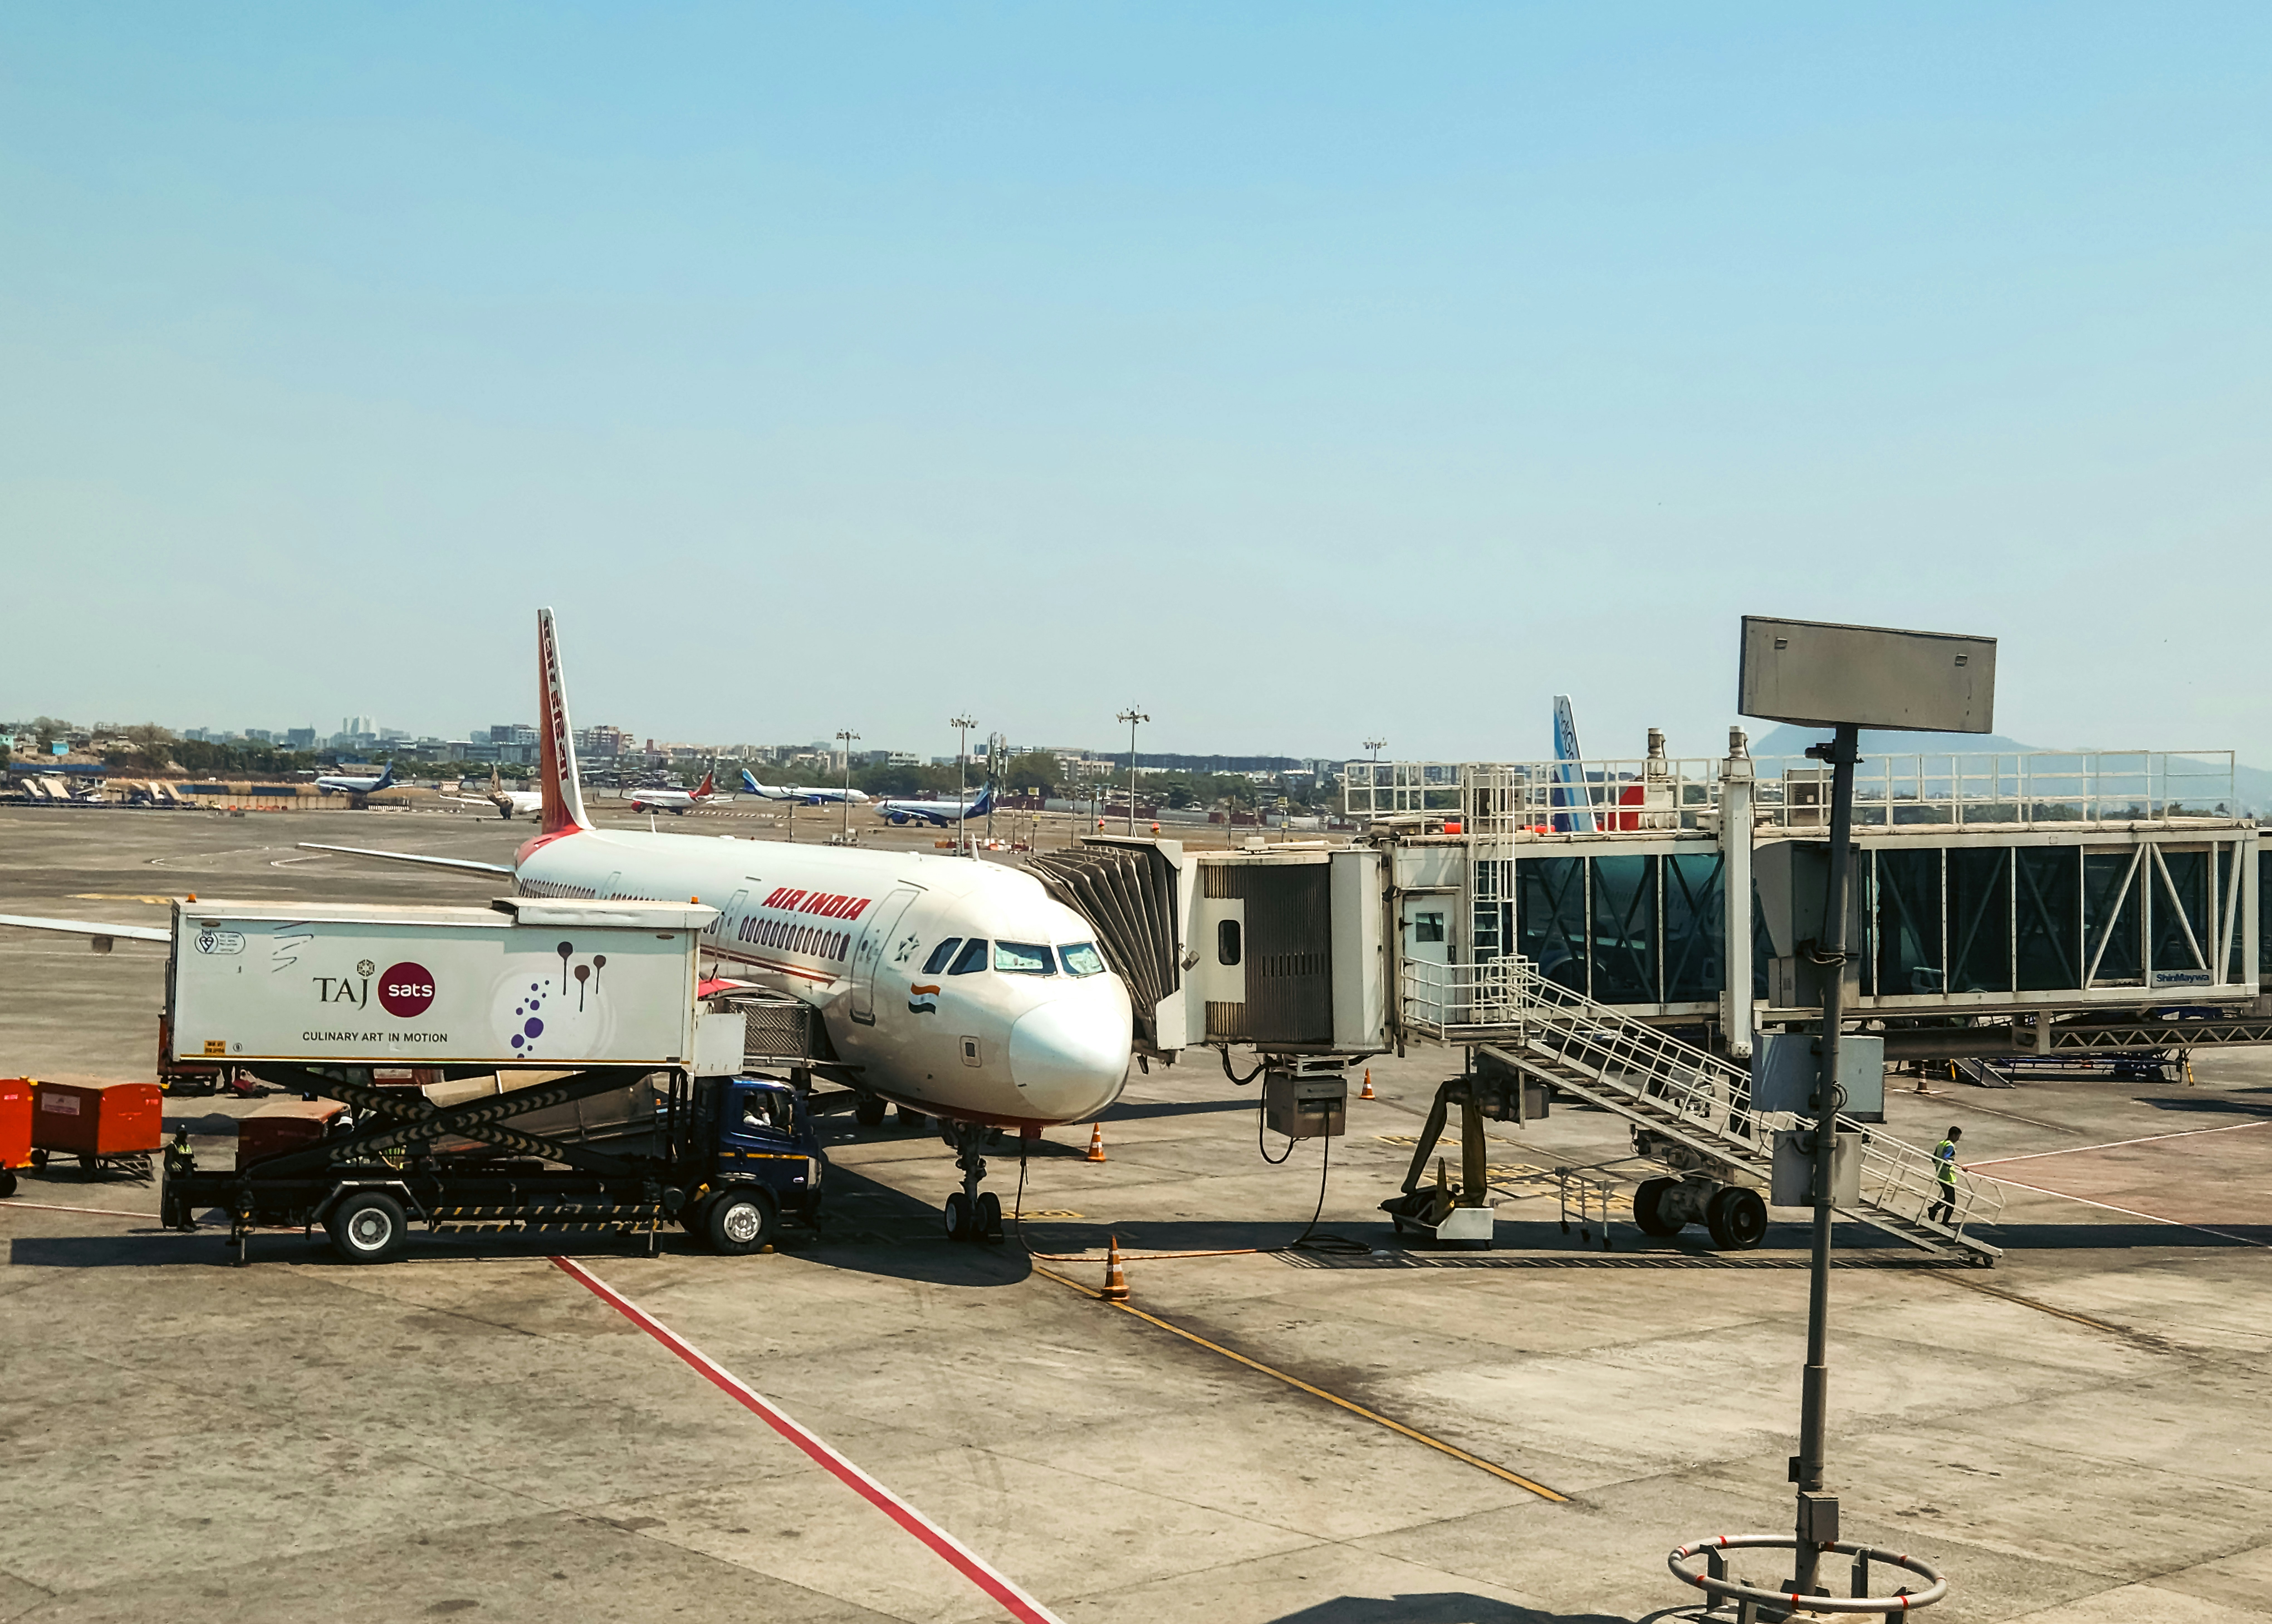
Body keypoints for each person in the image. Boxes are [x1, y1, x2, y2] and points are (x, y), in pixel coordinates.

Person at [1928, 1125, 1963, 1225]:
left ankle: (1935, 1210)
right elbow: (1946, 1159)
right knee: (1951, 1201)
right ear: (1953, 1135)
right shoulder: (1950, 1146)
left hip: (1940, 1173)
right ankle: (1941, 1217)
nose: (1958, 1140)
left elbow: (1934, 1158)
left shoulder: (1941, 1144)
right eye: (1958, 1137)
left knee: (1949, 1199)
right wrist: (1959, 1166)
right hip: (1947, 1175)